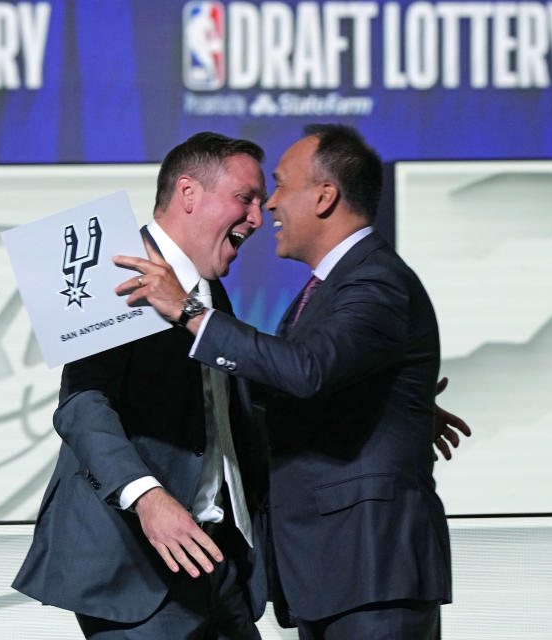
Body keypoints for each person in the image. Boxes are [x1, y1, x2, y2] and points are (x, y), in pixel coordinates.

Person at [117, 124, 456, 639]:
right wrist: (390, 404)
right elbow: (302, 378)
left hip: (371, 571)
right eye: (252, 195)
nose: (269, 206)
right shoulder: (330, 288)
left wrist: (186, 310)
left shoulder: (375, 281)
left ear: (324, 196)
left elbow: (306, 370)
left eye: (278, 186)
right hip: (332, 575)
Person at [12, 132, 271, 639]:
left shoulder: (208, 289)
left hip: (219, 561)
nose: (258, 218)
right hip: (135, 568)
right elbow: (82, 404)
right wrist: (148, 499)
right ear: (188, 193)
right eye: (245, 199)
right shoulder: (108, 268)